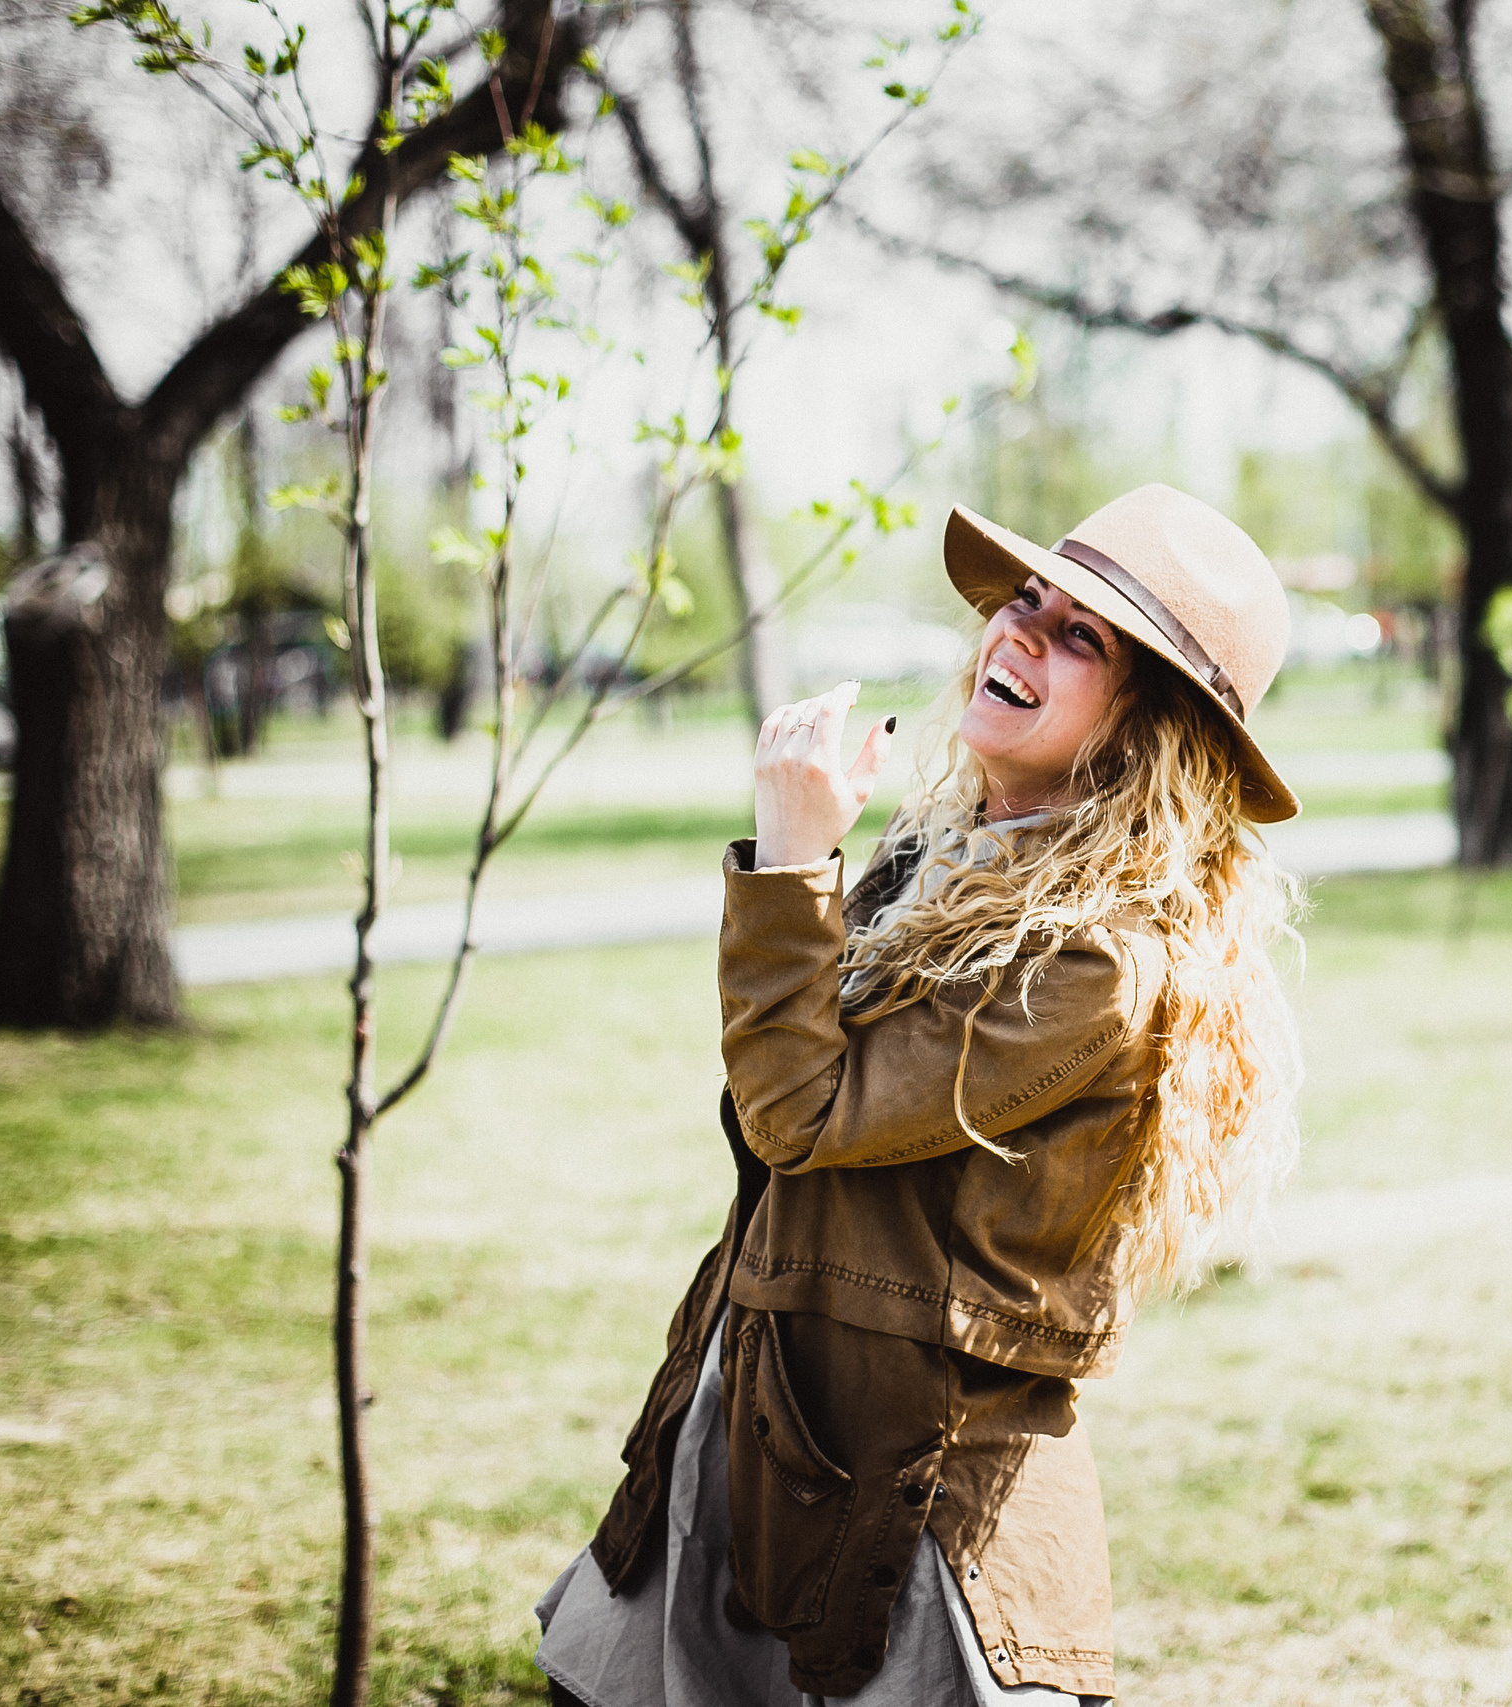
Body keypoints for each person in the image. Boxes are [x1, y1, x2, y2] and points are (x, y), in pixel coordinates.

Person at [535, 484, 1306, 1705]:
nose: (1016, 635)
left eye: (1078, 636)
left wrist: (790, 862)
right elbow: (765, 1121)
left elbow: (801, 1112)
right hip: (770, 1421)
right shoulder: (940, 861)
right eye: (1026, 603)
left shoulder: (1099, 959)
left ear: (1146, 723)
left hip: (911, 1506)